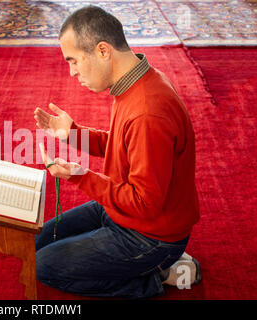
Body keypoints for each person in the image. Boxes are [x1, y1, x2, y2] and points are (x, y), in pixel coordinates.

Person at [33, 5, 201, 299]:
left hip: (150, 236)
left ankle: (157, 275)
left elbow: (144, 203)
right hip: (122, 211)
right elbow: (124, 144)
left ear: (102, 50)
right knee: (36, 241)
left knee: (43, 265)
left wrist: (80, 176)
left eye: (73, 61)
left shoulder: (148, 112)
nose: (72, 73)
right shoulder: (136, 80)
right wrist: (72, 133)